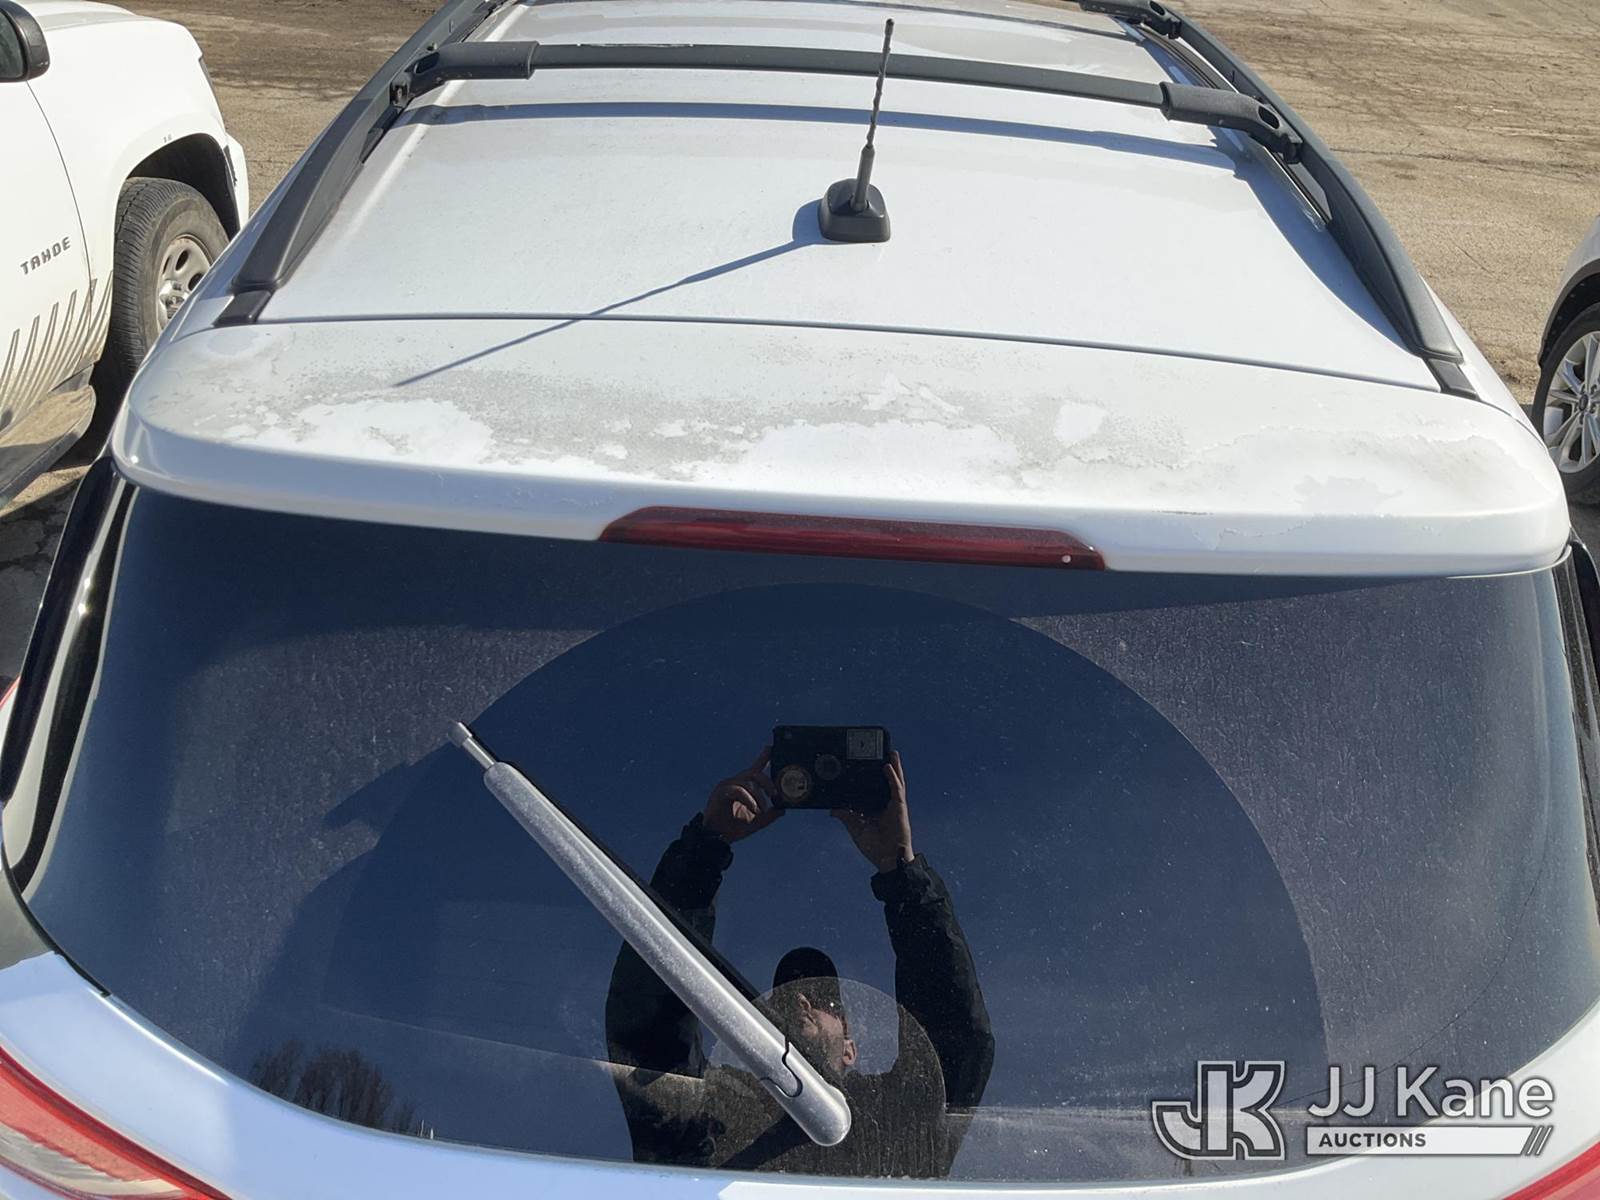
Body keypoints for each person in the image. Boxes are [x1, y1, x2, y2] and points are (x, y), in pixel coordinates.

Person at [604, 748, 995, 1177]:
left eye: (827, 1001)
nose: (803, 999)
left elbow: (954, 1041)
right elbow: (647, 1025)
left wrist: (901, 871)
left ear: (850, 1050)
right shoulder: (709, 1115)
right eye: (786, 998)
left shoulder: (897, 1122)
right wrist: (705, 848)